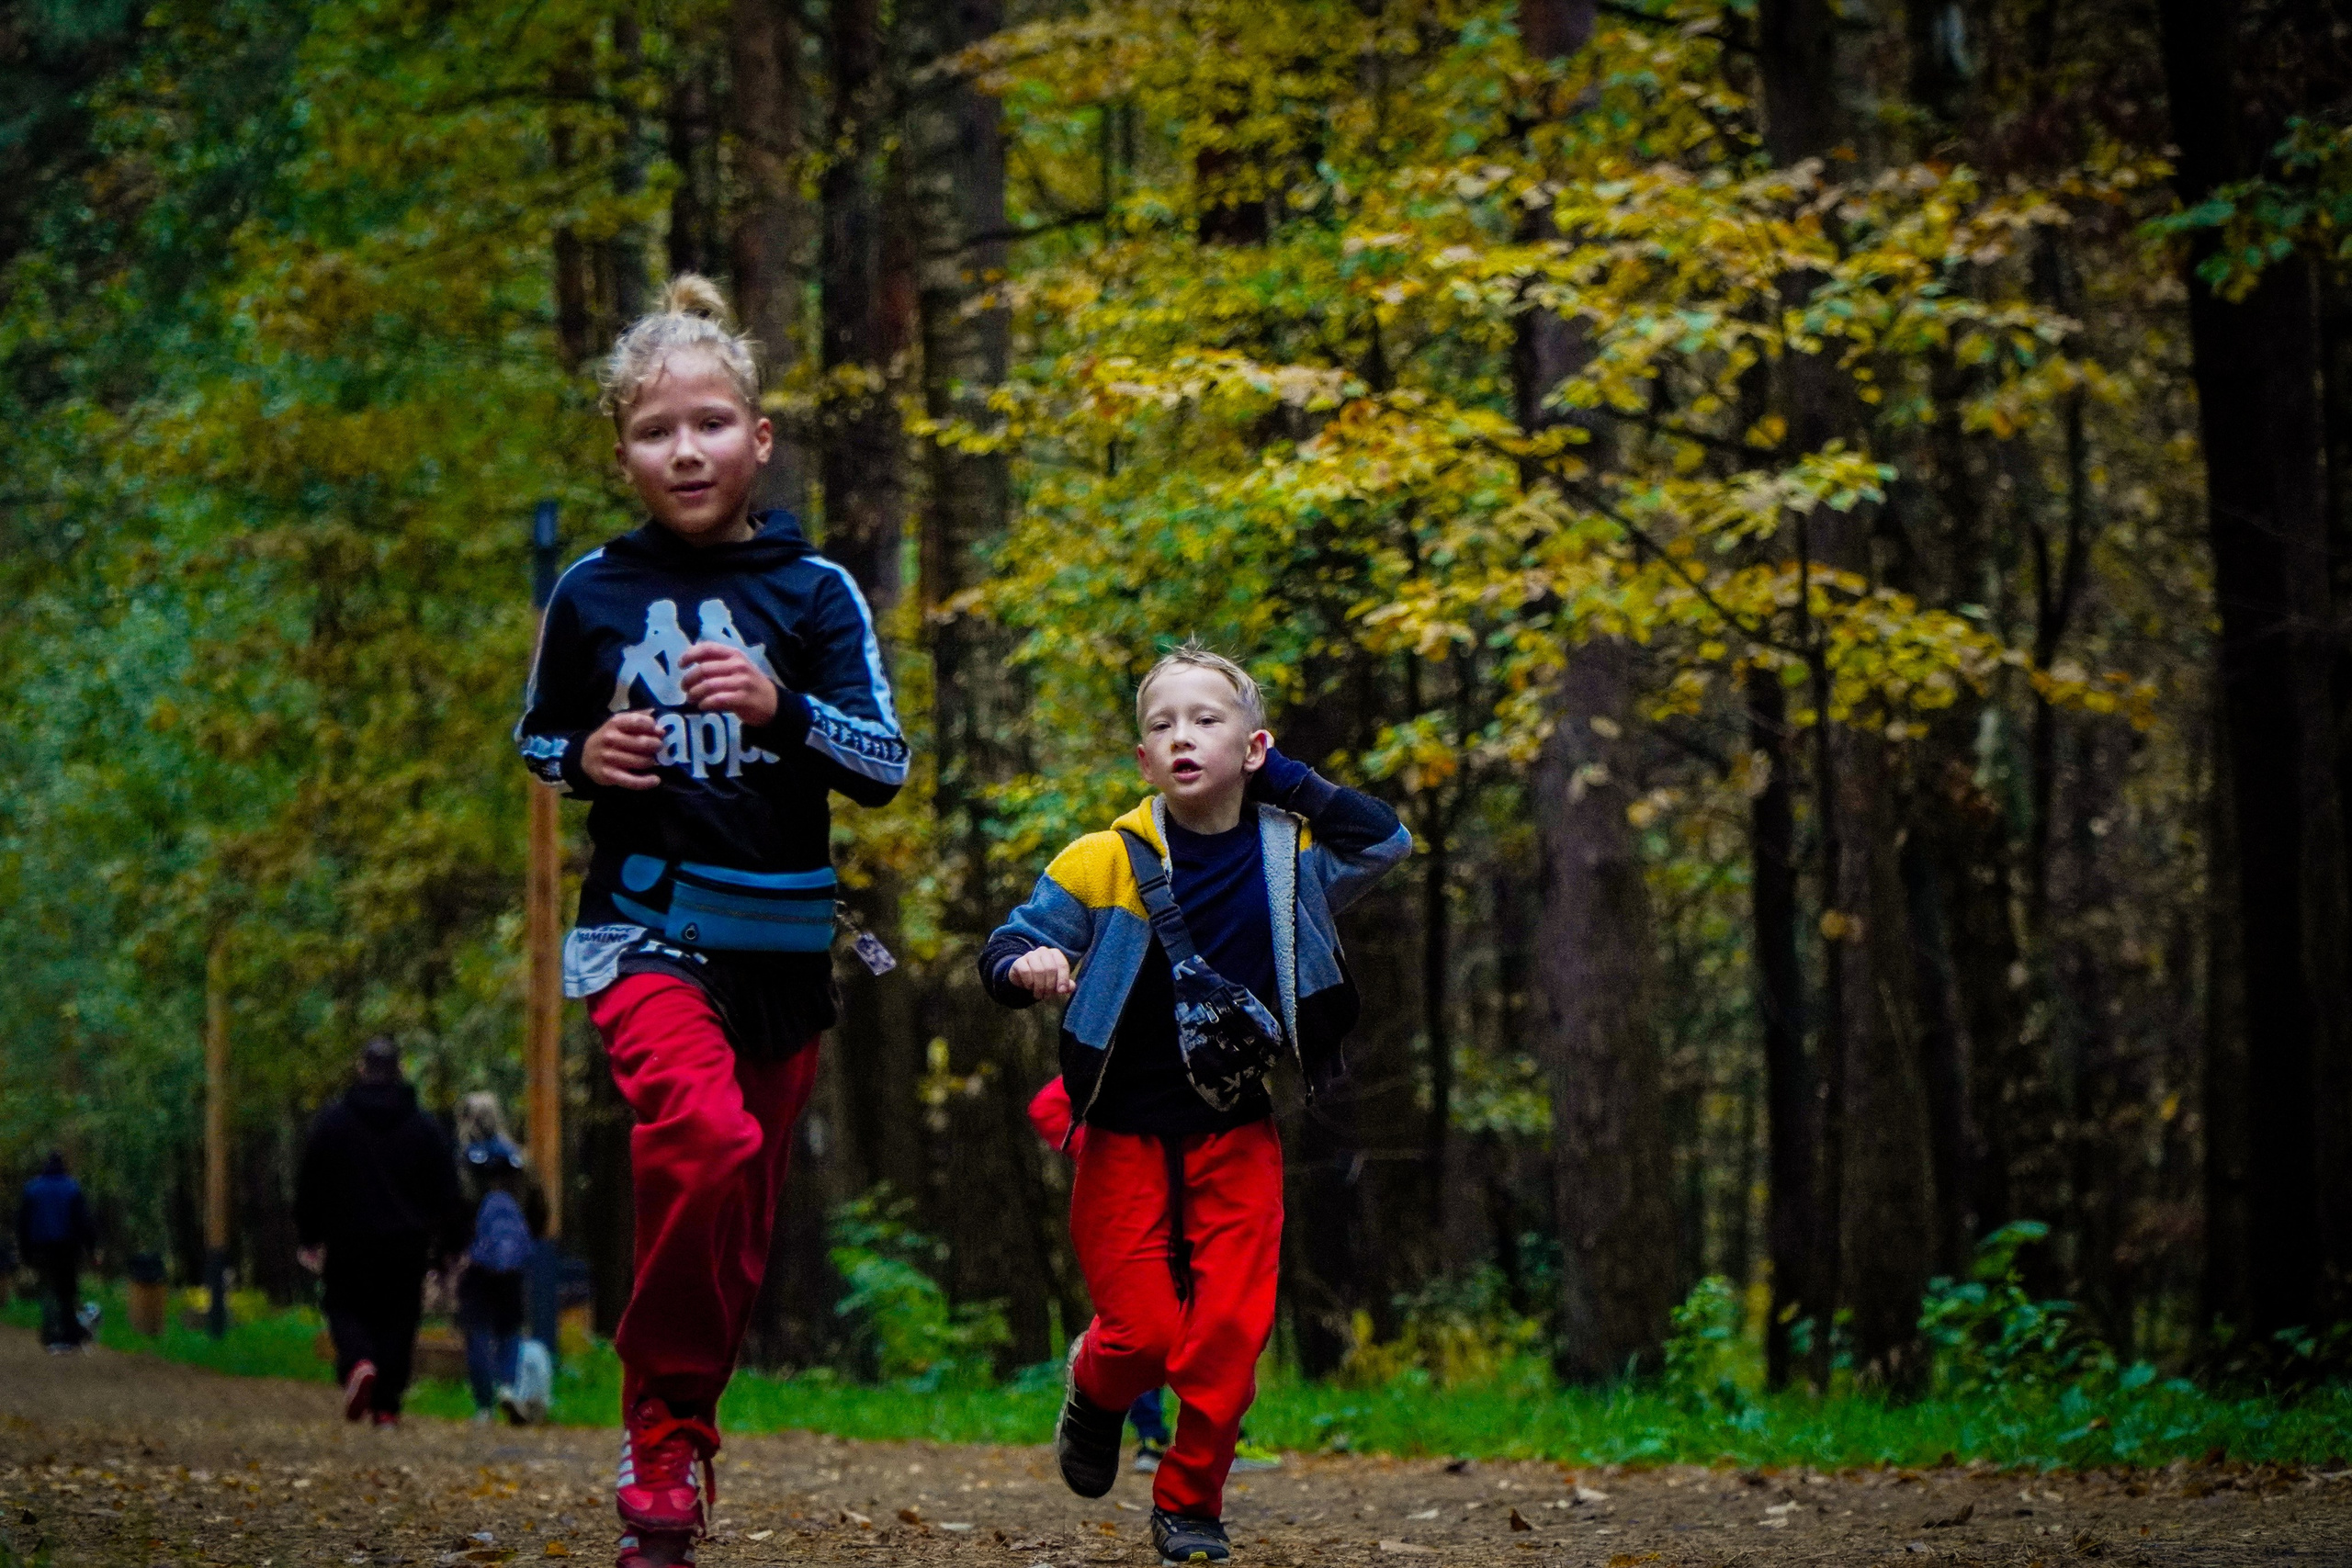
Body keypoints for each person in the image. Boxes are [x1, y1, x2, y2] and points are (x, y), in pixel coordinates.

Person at [515, 275, 906, 1568]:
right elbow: (536, 735)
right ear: (623, 449)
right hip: (644, 928)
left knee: (735, 1221)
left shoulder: (815, 591)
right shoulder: (590, 591)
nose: (685, 449)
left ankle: (676, 1435)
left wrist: (779, 707)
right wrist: (589, 756)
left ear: (759, 438)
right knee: (702, 1126)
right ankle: (660, 1434)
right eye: (655, 429)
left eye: (711, 422)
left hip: (783, 944)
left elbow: (884, 760)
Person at [982, 643, 1408, 1566]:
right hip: (1124, 1135)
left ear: (1252, 746)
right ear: (1141, 760)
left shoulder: (1291, 858)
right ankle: (1094, 1392)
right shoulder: (1101, 860)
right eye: (1161, 725)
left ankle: (1189, 1504)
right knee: (1140, 1335)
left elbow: (1384, 840)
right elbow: (1010, 939)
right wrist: (1026, 965)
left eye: (1205, 721)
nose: (1181, 737)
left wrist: (1277, 776)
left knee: (1226, 1334)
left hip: (1235, 1130)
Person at [294, 1037, 464, 1427]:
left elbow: (311, 1182)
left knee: (344, 1307)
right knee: (398, 1320)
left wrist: (309, 1234)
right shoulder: (424, 1127)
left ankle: (359, 1363)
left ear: (361, 1069)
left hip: (348, 1239)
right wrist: (449, 1246)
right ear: (399, 1070)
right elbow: (447, 1190)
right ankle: (386, 1406)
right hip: (406, 1243)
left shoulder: (333, 1122)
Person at [457, 1129, 537, 1425]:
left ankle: (483, 1404)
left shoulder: (470, 1166)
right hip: (512, 1268)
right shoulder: (517, 1163)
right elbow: (539, 1208)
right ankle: (507, 1385)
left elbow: (456, 1211)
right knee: (510, 1329)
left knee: (477, 1330)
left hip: (477, 1267)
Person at [16, 1153, 98, 1352]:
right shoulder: (71, 1187)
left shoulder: (32, 1189)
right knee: (67, 1290)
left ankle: (50, 1332)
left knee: (47, 1289)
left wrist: (24, 1250)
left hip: (40, 1248)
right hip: (67, 1247)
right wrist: (91, 1247)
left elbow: (22, 1223)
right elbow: (82, 1221)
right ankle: (70, 1335)